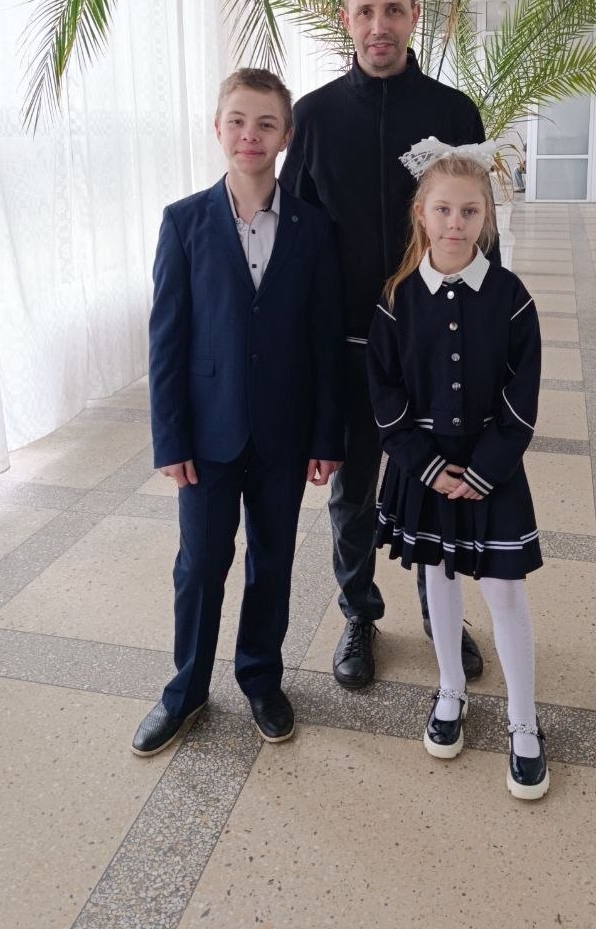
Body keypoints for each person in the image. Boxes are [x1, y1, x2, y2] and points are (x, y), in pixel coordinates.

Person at [280, 0, 489, 690]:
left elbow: (480, 229)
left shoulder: (454, 113)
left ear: (414, 17)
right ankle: (358, 614)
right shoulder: (313, 117)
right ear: (346, 20)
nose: (379, 26)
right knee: (352, 493)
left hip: (434, 345)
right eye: (365, 11)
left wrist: (484, 334)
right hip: (348, 349)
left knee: (440, 482)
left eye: (393, 10)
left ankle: (442, 616)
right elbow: (295, 238)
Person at [132, 68, 344, 757]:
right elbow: (167, 341)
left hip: (285, 433)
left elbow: (325, 342)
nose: (250, 135)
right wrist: (170, 439)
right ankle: (186, 690)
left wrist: (327, 435)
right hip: (206, 435)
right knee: (200, 564)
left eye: (265, 124)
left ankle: (261, 679)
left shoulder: (314, 228)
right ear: (217, 128)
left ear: (286, 136)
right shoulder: (184, 222)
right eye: (237, 121)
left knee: (272, 562)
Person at [367, 142, 548, 800]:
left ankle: (524, 720)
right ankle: (450, 691)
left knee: (504, 593)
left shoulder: (511, 297)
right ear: (421, 213)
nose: (455, 223)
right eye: (443, 209)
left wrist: (482, 471)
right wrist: (426, 466)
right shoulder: (396, 299)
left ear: (486, 218)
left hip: (490, 472)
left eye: (469, 211)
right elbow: (385, 395)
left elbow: (520, 400)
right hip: (425, 471)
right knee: (437, 580)